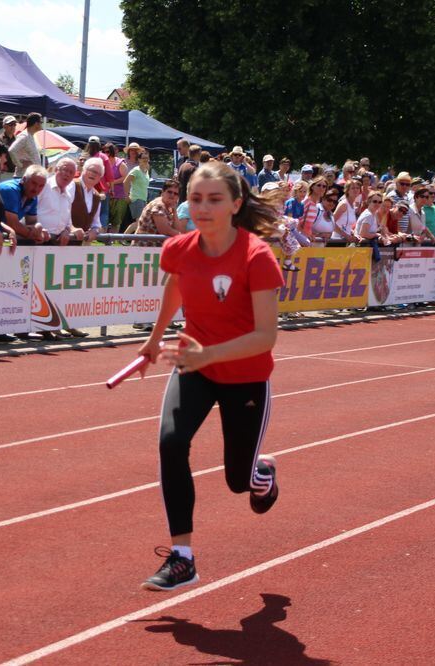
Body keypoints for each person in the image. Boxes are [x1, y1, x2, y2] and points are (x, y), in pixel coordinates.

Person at [135, 161, 284, 592]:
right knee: (171, 442)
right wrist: (154, 338)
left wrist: (210, 355)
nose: (203, 207)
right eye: (196, 198)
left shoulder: (257, 257)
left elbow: (265, 337)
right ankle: (182, 558)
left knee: (239, 481)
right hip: (195, 365)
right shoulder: (180, 248)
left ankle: (262, 473)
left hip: (245, 374)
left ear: (236, 204)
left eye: (215, 199)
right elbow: (176, 285)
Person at [35, 158, 82, 246]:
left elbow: (68, 221)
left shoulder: (68, 194)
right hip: (36, 239)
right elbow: (28, 211)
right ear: (56, 170)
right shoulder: (43, 185)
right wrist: (36, 228)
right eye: (65, 170)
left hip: (56, 243)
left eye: (71, 172)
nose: (67, 174)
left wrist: (66, 230)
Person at [0, 164, 50, 244]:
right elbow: (13, 224)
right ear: (24, 179)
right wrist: (35, 235)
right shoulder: (10, 190)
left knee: (16, 246)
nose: (36, 189)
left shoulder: (32, 195)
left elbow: (32, 222)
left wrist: (39, 229)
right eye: (34, 183)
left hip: (1, 238)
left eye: (41, 186)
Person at [134, 178, 180, 242]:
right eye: (169, 192)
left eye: (175, 194)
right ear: (163, 192)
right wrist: (183, 237)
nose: (172, 195)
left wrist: (174, 212)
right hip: (144, 248)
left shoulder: (169, 207)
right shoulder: (159, 205)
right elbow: (165, 230)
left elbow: (178, 228)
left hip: (155, 249)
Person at [71, 158, 105, 240]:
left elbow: (96, 224)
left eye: (98, 173)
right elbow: (60, 213)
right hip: (58, 242)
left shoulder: (96, 197)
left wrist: (95, 230)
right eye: (92, 170)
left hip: (77, 245)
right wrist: (72, 228)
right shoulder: (72, 185)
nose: (94, 174)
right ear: (84, 170)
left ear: (100, 178)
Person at [9, 112, 43, 177]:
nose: (42, 125)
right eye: (41, 122)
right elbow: (12, 150)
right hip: (23, 177)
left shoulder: (31, 136)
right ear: (36, 124)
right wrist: (20, 164)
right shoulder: (24, 136)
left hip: (30, 177)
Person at [125, 151, 151, 225]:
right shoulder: (136, 170)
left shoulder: (146, 171)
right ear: (139, 159)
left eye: (147, 158)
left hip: (143, 199)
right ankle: (125, 236)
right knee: (139, 222)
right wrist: (127, 196)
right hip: (136, 199)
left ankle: (127, 236)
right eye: (143, 158)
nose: (145, 160)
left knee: (140, 223)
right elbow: (126, 182)